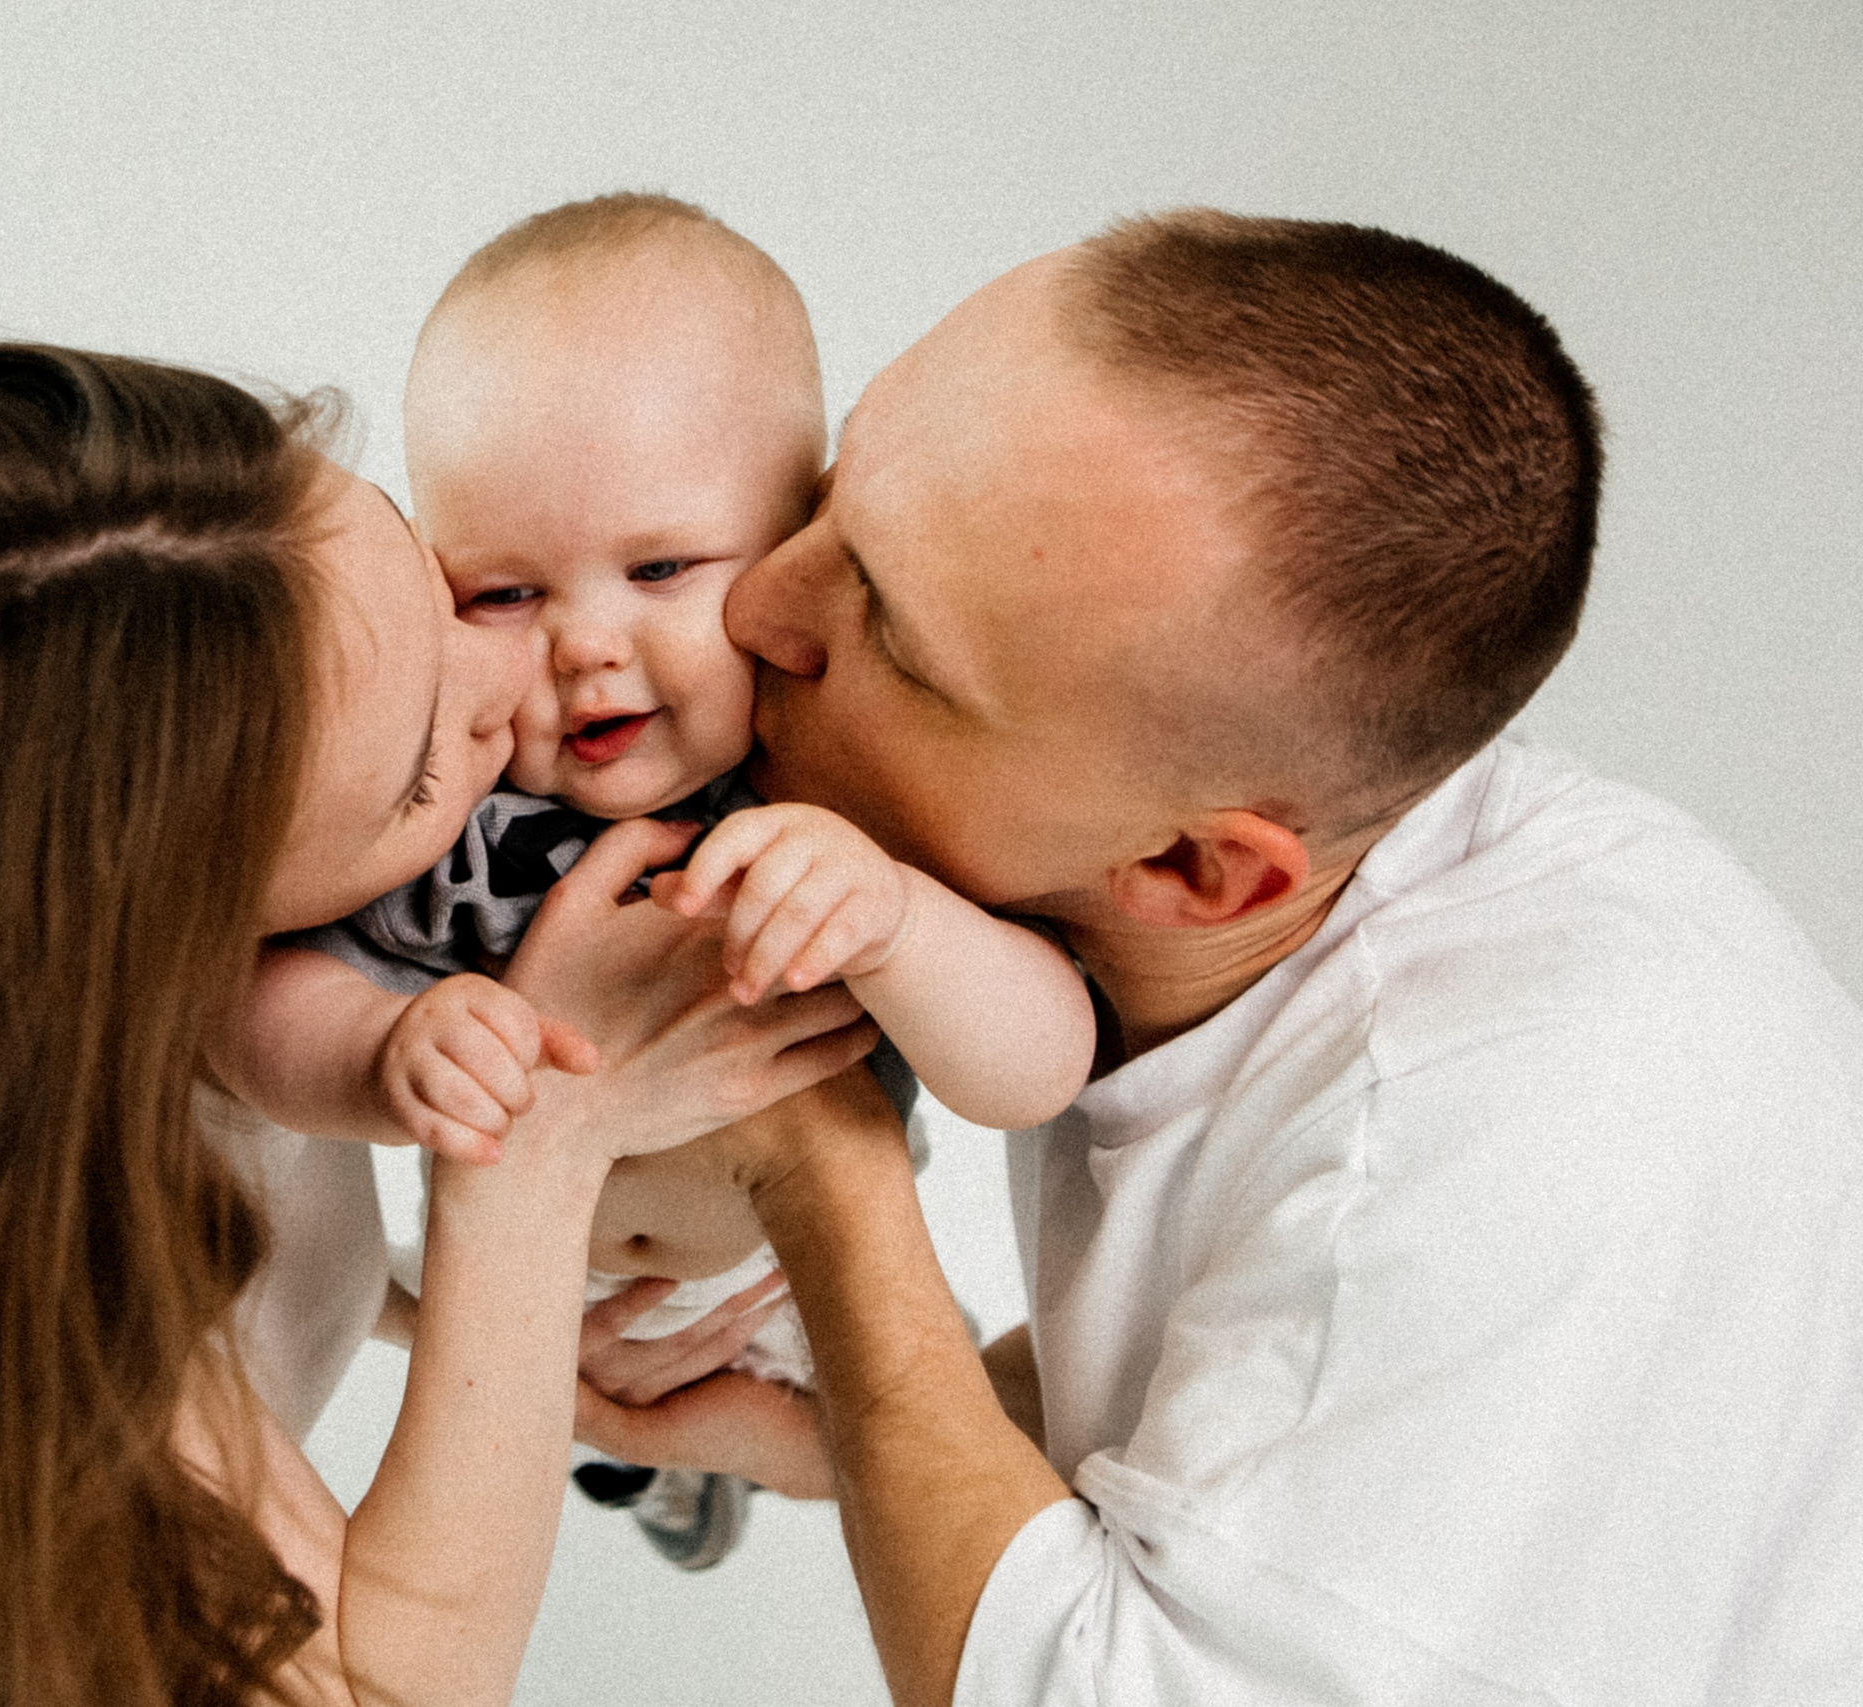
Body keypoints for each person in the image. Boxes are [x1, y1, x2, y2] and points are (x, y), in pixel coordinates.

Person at [588, 210, 1863, 1705]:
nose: (756, 609)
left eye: (888, 632)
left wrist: (818, 1168)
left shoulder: (1504, 1127)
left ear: (1190, 870)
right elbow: (1270, 1434)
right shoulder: (1355, 909)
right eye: (839, 493)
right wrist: (822, 1431)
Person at [0, 343, 875, 1707]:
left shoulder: (178, 1005)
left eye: (436, 584)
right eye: (419, 771)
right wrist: (537, 1150)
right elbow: (403, 1687)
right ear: (141, 948)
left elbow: (265, 1265)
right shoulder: (51, 1337)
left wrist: (526, 1364)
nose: (509, 681)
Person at [216, 194, 1096, 1567]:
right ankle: (644, 1461)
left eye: (661, 568)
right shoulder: (438, 805)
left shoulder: (832, 800)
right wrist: (382, 1046)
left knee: (953, 1450)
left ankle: (703, 1475)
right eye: (504, 593)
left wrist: (902, 920)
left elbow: (1038, 1065)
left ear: (796, 543)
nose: (585, 647)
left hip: (785, 1293)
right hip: (516, 1297)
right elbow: (250, 1011)